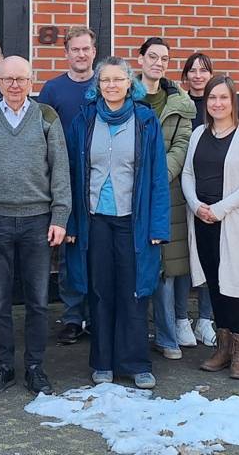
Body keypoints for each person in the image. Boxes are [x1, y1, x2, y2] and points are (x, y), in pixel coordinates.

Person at [0, 56, 71, 395]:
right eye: (7, 79)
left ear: (31, 81)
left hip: (37, 222)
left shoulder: (47, 117)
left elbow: (60, 172)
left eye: (21, 79)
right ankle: (5, 366)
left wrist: (60, 217)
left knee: (38, 299)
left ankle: (36, 367)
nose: (14, 85)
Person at [63, 57, 170, 389]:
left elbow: (157, 179)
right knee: (100, 290)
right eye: (105, 80)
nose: (111, 85)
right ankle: (103, 362)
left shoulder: (146, 122)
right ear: (98, 86)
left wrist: (157, 227)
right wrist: (70, 223)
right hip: (95, 221)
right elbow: (70, 175)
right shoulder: (84, 121)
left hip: (133, 222)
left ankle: (136, 363)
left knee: (134, 290)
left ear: (130, 83)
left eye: (117, 79)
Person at [185, 76, 239, 379]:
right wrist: (196, 205)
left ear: (233, 101)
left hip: (230, 221)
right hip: (202, 219)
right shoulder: (197, 135)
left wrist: (219, 209)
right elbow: (187, 174)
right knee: (215, 285)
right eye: (211, 98)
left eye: (223, 98)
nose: (217, 104)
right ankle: (223, 348)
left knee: (233, 287)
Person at [137, 37, 206, 359]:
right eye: (152, 56)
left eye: (164, 58)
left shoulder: (179, 103)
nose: (158, 62)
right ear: (140, 60)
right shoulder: (126, 98)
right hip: (129, 193)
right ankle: (135, 335)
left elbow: (182, 146)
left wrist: (156, 178)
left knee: (167, 266)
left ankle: (167, 337)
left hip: (168, 193)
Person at [37, 26, 96, 345]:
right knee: (69, 251)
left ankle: (97, 315)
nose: (81, 54)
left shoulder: (105, 85)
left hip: (100, 180)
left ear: (94, 52)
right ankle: (73, 316)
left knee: (97, 250)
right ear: (66, 53)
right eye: (75, 49)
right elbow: (41, 135)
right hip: (64, 180)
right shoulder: (52, 90)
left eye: (86, 49)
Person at [181, 52, 214, 128]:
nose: (198, 76)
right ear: (186, 75)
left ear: (211, 75)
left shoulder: (217, 104)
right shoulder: (180, 103)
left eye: (203, 70)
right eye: (192, 71)